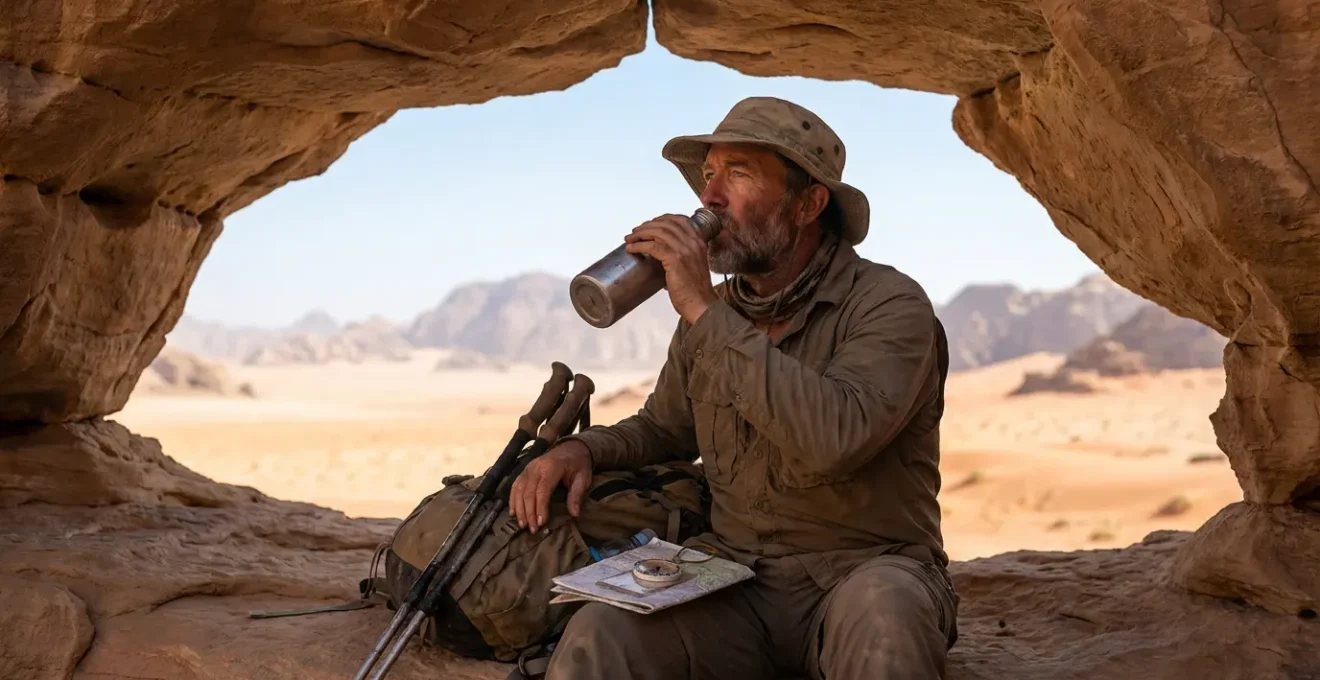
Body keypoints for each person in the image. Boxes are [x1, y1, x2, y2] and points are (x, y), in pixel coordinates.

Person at [507, 96, 958, 679]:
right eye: (709, 175)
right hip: (737, 577)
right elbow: (666, 428)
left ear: (808, 204)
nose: (710, 198)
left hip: (865, 570)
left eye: (739, 174)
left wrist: (700, 305)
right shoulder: (715, 316)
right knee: (604, 632)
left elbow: (837, 437)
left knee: (886, 622)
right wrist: (582, 450)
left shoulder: (889, 304)